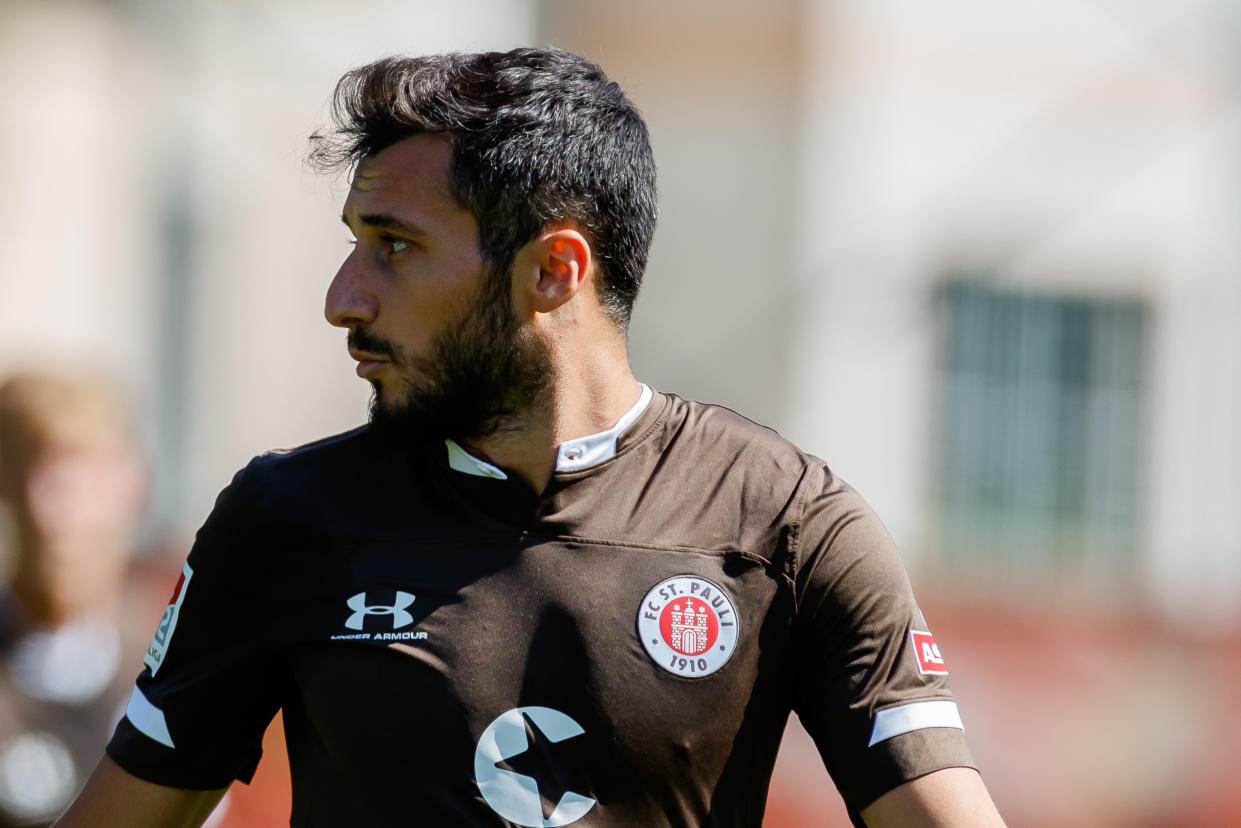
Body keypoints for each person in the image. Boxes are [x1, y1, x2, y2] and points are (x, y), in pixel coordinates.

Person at [56, 48, 1005, 827]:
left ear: (554, 270)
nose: (343, 298)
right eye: (352, 242)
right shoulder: (286, 521)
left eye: (394, 245)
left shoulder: (786, 523)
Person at [0, 371, 146, 826]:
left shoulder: (191, 663)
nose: (60, 516)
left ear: (133, 487)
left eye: (88, 482)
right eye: (38, 476)